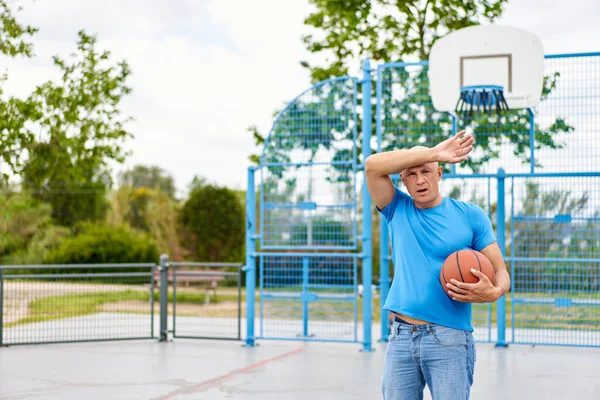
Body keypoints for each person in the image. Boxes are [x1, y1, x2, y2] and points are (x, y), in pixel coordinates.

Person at [365, 130, 511, 400]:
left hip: (450, 337)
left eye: (427, 171)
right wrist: (433, 152)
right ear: (403, 179)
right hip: (401, 336)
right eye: (411, 174)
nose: (420, 180)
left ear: (440, 174)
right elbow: (372, 165)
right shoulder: (396, 208)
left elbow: (501, 272)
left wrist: (494, 292)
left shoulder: (470, 215)